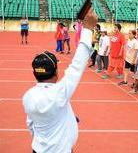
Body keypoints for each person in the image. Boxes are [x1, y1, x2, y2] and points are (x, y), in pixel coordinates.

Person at [23, 9, 98, 153]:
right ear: (56, 73)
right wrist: (88, 29)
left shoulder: (28, 96)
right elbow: (77, 65)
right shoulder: (59, 93)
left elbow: (31, 123)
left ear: (35, 74)